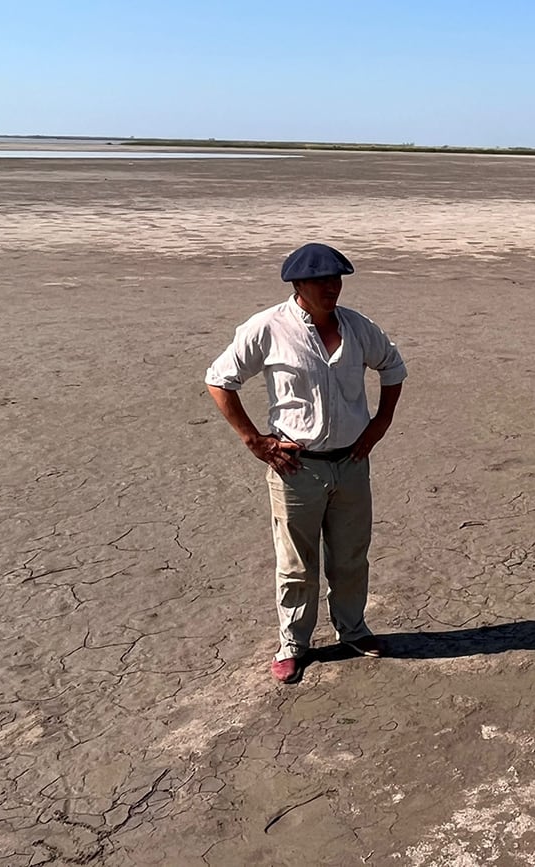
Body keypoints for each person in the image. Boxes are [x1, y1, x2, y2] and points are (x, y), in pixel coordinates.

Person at [205, 243, 407, 683]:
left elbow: (392, 367)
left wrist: (380, 423)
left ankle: (352, 629)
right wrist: (254, 440)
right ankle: (294, 643)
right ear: (298, 285)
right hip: (298, 467)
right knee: (297, 564)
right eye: (321, 280)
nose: (331, 287)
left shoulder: (357, 327)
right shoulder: (269, 327)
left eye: (336, 279)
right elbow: (220, 380)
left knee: (351, 557)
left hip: (352, 463)